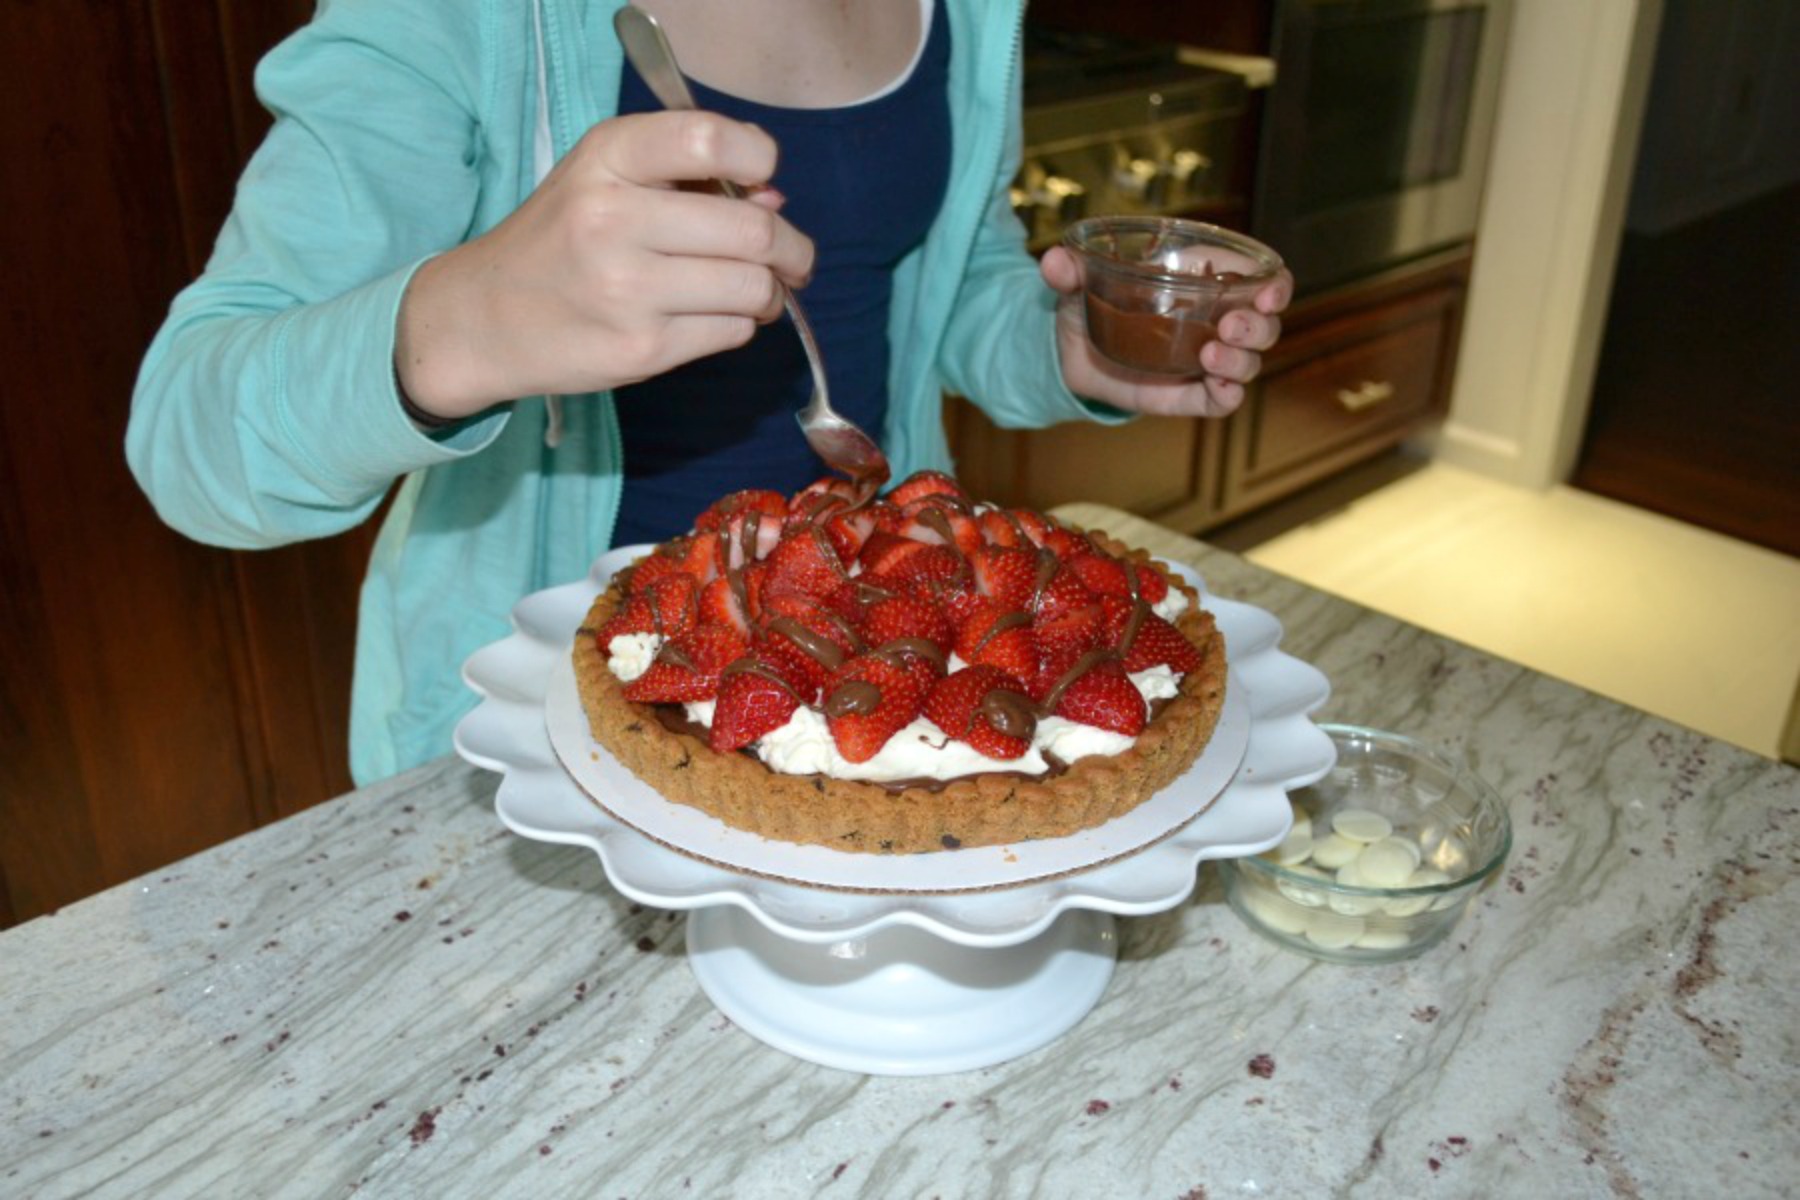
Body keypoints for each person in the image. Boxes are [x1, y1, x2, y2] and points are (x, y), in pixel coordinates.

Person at [128, 0, 1291, 785]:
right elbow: (193, 447)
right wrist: (471, 319)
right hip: (536, 713)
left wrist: (1062, 347)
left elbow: (947, 277)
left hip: (878, 675)